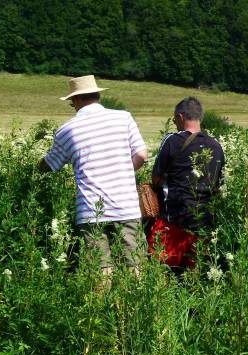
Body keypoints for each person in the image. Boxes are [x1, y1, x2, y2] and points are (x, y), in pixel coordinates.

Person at [39, 75, 148, 279]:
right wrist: (123, 172)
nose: (72, 105)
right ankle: (135, 308)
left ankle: (100, 310)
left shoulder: (66, 130)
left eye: (72, 101)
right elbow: (142, 155)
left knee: (100, 271)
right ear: (97, 95)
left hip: (90, 210)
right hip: (126, 205)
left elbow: (50, 165)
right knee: (134, 266)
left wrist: (37, 166)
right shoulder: (123, 118)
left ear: (78, 99)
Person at [148, 97, 225, 270]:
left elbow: (156, 178)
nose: (175, 123)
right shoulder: (216, 146)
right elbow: (219, 185)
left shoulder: (172, 140)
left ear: (181, 117)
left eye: (175, 119)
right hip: (203, 225)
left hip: (172, 221)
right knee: (194, 280)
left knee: (159, 275)